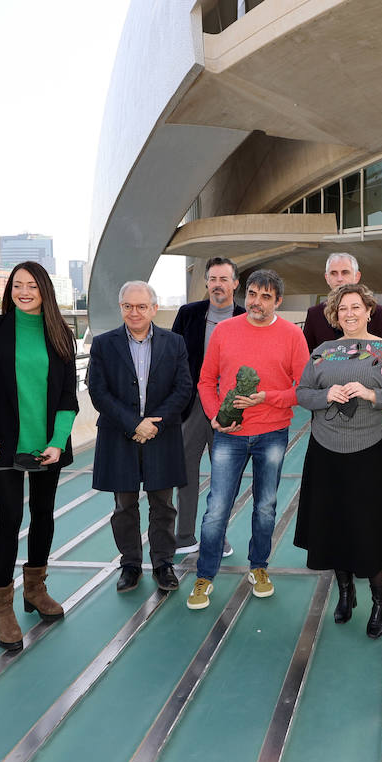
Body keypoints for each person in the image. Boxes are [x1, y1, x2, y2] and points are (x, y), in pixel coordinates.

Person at [0, 261, 79, 652]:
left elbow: (67, 397)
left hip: (46, 444)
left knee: (43, 515)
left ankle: (35, 590)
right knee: (10, 518)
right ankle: (2, 606)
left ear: (45, 289)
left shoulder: (60, 332)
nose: (23, 291)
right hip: (0, 443)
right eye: (17, 285)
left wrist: (58, 441)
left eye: (31, 285)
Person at [295, 283, 382, 637]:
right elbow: (302, 393)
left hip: (369, 450)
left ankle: (380, 600)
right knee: (332, 524)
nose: (349, 313)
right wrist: (324, 395)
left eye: (355, 307)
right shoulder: (322, 352)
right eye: (342, 308)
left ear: (368, 311)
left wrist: (373, 394)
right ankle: (345, 593)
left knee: (370, 527)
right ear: (335, 315)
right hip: (325, 451)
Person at [189, 268, 309, 610]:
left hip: (272, 432)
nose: (257, 302)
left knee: (266, 505)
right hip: (230, 434)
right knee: (216, 508)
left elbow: (302, 388)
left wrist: (266, 397)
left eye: (266, 297)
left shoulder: (292, 336)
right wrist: (214, 416)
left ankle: (259, 568)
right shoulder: (225, 331)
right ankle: (205, 575)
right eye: (253, 294)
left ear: (278, 301)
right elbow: (205, 381)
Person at [88, 281, 195, 595]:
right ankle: (130, 565)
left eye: (141, 306)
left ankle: (163, 564)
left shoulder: (174, 343)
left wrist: (153, 425)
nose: (134, 312)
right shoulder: (103, 344)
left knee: (163, 505)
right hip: (119, 436)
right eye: (128, 306)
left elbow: (183, 389)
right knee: (124, 506)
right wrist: (134, 423)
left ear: (154, 308)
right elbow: (98, 391)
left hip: (161, 436)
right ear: (121, 308)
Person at [170, 256, 244, 557]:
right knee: (186, 471)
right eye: (213, 279)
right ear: (206, 282)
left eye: (224, 279)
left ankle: (217, 536)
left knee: (224, 474)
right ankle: (184, 536)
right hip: (193, 404)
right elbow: (171, 357)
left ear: (235, 284)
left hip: (229, 407)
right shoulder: (188, 314)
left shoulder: (245, 317)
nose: (217, 284)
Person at [302, 252, 382, 350]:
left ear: (357, 276)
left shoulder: (377, 312)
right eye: (333, 273)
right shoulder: (314, 314)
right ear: (327, 278)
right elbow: (307, 354)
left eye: (345, 272)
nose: (339, 279)